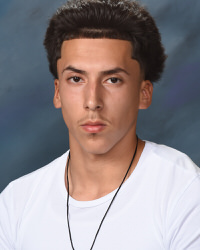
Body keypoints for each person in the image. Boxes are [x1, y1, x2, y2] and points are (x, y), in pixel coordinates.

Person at [0, 0, 200, 249]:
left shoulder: (183, 190)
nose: (93, 101)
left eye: (113, 80)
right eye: (76, 79)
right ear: (58, 93)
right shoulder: (16, 202)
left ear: (143, 93)